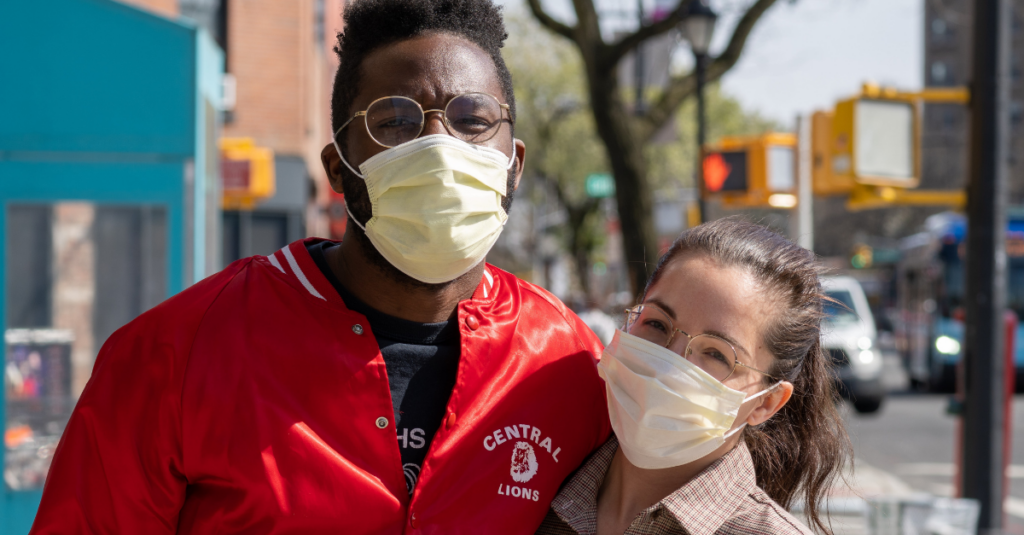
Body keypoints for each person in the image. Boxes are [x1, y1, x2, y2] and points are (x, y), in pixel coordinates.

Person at [30, 1, 611, 533]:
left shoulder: (570, 363)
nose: (440, 147)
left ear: (514, 165)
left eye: (473, 119)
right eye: (395, 123)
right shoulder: (174, 355)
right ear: (338, 171)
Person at [538, 218, 850, 535]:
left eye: (716, 354)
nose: (670, 363)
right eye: (657, 324)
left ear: (766, 403)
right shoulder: (528, 488)